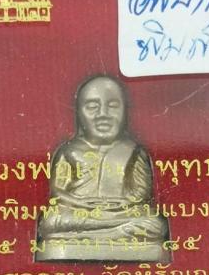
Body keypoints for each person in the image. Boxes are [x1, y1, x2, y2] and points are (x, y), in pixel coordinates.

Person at [35, 75, 170, 261]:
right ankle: (115, 234)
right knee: (52, 220)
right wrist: (81, 204)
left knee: (153, 222)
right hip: (79, 211)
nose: (103, 114)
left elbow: (142, 193)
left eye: (113, 106)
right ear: (79, 113)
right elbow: (58, 192)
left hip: (122, 212)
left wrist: (120, 206)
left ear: (125, 112)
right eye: (92, 106)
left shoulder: (133, 151)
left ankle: (95, 237)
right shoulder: (69, 150)